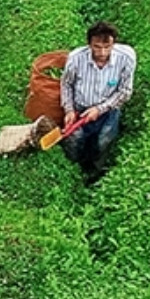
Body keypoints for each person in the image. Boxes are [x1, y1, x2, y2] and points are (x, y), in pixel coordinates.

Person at [59, 21, 136, 185]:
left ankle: (94, 174)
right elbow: (66, 84)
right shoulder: (75, 59)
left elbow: (125, 92)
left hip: (108, 109)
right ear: (89, 44)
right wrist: (69, 110)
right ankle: (72, 173)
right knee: (74, 140)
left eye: (107, 47)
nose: (102, 52)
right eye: (97, 47)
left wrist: (100, 109)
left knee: (103, 141)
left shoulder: (126, 58)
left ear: (113, 43)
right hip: (80, 108)